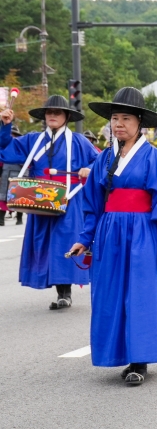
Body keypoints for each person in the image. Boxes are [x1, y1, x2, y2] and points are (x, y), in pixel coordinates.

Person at [68, 88, 157, 386]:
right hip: (109, 232)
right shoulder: (104, 158)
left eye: (126, 118)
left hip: (144, 232)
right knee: (110, 293)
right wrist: (84, 238)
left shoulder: (155, 157)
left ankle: (139, 360)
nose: (118, 124)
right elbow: (92, 203)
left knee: (142, 293)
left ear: (139, 123)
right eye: (115, 118)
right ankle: (117, 352)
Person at [0, 94, 99, 309]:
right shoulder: (32, 140)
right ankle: (56, 286)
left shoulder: (79, 141)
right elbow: (6, 150)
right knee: (44, 244)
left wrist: (89, 169)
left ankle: (65, 292)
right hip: (38, 199)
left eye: (57, 112)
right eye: (49, 112)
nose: (52, 115)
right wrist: (5, 126)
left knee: (65, 242)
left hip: (69, 198)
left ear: (66, 116)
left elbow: (99, 161)